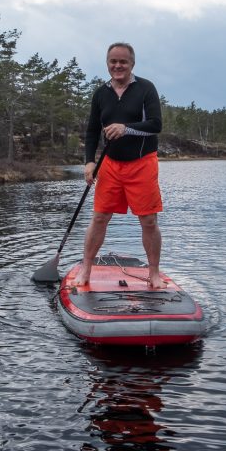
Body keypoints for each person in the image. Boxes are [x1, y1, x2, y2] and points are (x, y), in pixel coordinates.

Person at [75, 42, 166, 289]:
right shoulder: (100, 94)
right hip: (110, 165)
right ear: (107, 64)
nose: (118, 66)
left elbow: (156, 124)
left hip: (142, 163)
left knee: (148, 221)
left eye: (123, 61)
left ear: (132, 64)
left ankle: (154, 273)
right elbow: (92, 131)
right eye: (113, 61)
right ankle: (86, 269)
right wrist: (89, 162)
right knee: (100, 217)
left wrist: (127, 128)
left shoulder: (145, 89)